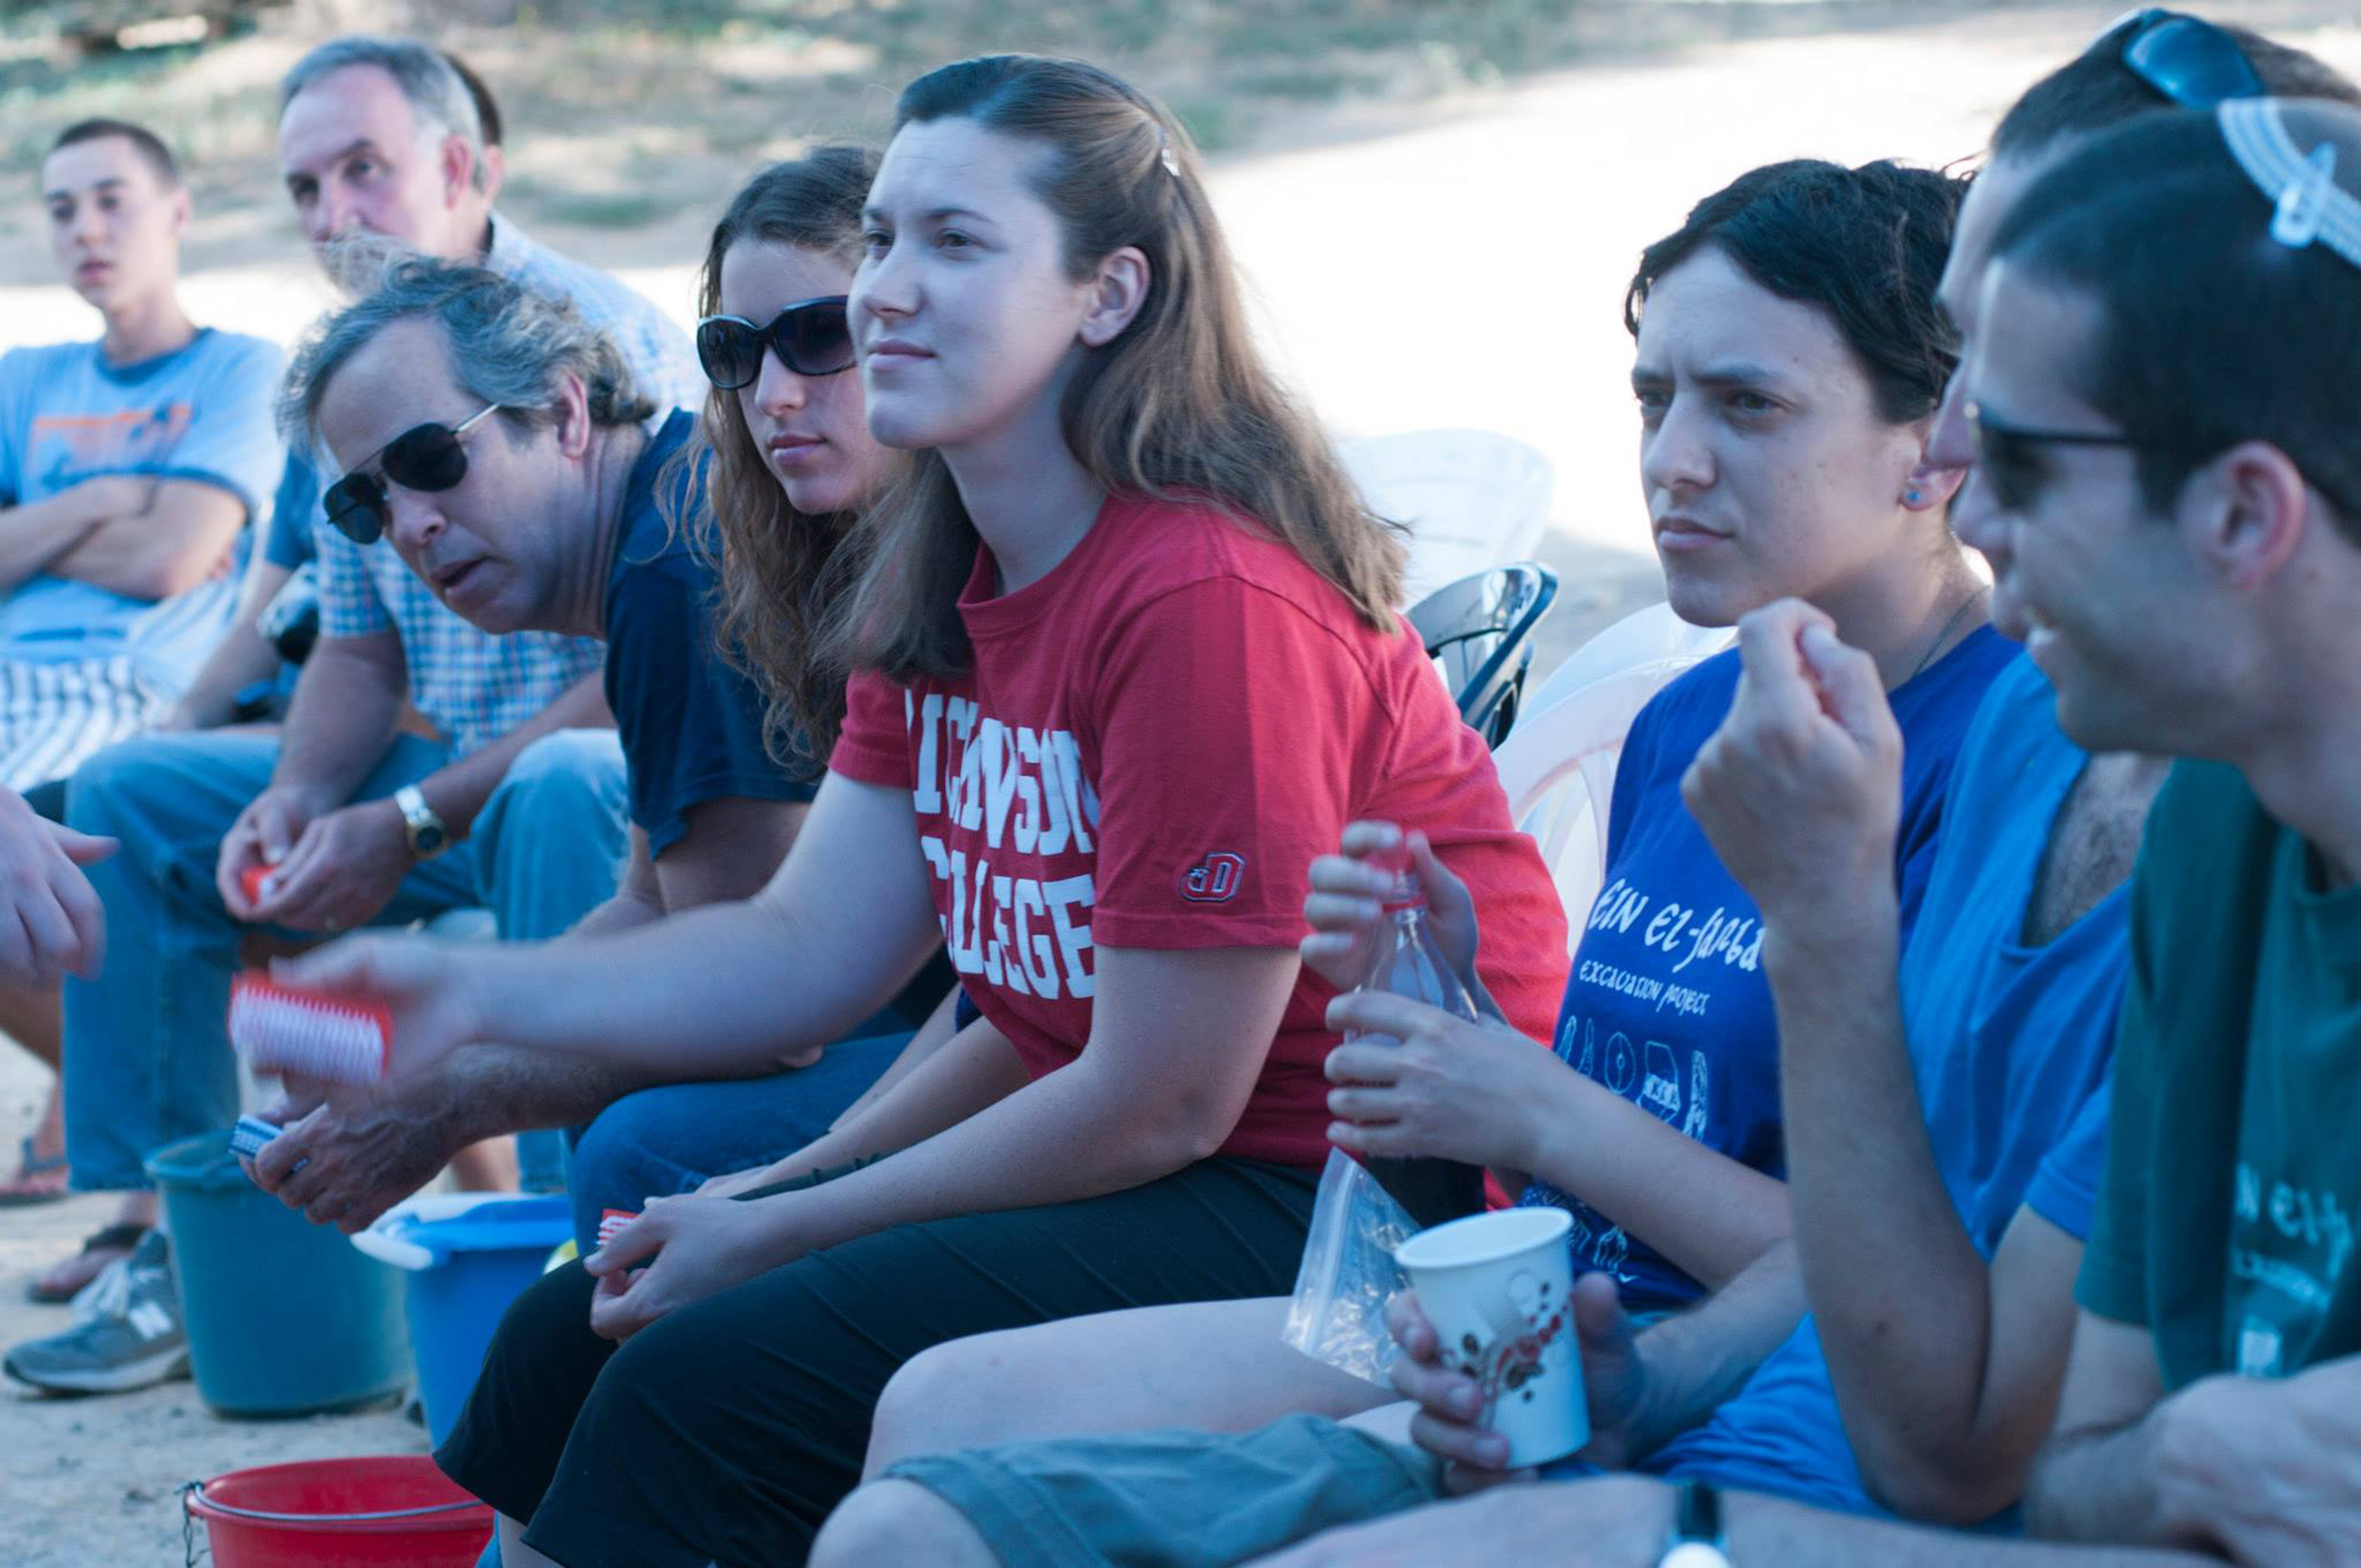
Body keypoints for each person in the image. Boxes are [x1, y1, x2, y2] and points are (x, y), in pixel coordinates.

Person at [281, 52, 1570, 1568]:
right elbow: (808, 955)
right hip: (1182, 1157)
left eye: (954, 243)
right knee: (569, 1333)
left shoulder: (1204, 595)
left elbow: (1162, 1096)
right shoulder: (947, 569)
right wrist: (480, 1009)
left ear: (1106, 296)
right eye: (884, 237)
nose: (885, 289)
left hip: (1371, 1206)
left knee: (706, 1385)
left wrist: (787, 1221)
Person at [818, 145, 2015, 1548]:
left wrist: (1530, 1104)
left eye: (1748, 405)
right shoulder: (1690, 723)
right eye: (1655, 399)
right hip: (1543, 1333)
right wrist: (1426, 1022)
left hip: (1736, 1395)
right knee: (940, 1404)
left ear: (1937, 448)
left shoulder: (1997, 752)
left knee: (916, 1514)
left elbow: (1914, 1281)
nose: (1671, 460)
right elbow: (1550, 1194)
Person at [7, 35, 697, 1386]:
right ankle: (180, 1228)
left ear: (463, 168)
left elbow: (654, 660)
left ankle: (561, 1242)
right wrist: (299, 795)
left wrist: (412, 817)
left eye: (364, 170)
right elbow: (357, 645)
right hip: (428, 786)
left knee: (559, 785)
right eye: (305, 188)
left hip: (580, 780)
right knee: (134, 791)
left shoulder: (604, 339)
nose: (336, 216)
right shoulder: (348, 377)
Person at [255, 161, 942, 1251]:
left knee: (644, 1147)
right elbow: (647, 908)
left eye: (433, 459)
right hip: (959, 1024)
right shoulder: (659, 542)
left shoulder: (676, 565)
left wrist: (452, 1096)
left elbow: (755, 1013)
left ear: (566, 411)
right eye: (365, 501)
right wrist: (431, 1044)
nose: (411, 524)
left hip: (993, 1048)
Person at [0, 119, 284, 1207]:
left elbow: (172, 560)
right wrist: (106, 498)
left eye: (112, 200)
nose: (87, 229)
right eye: (62, 208)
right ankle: (164, 1117)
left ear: (177, 212)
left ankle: (162, 1155)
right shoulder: (25, 378)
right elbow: (159, 536)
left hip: (133, 691)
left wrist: (35, 532)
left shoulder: (237, 370)